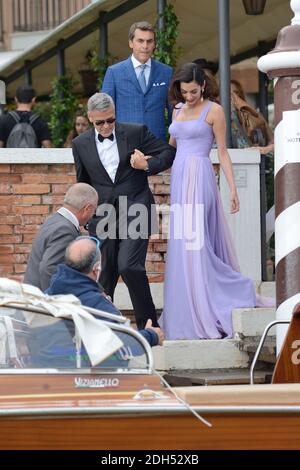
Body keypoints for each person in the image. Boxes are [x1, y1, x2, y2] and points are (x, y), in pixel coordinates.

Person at [159, 63, 274, 340]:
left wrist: (233, 189)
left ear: (203, 85)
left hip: (200, 177)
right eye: (184, 91)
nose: (189, 96)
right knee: (183, 243)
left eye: (194, 91)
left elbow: (222, 153)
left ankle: (230, 292)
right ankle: (186, 308)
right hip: (180, 176)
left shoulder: (215, 110)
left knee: (198, 243)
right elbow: (171, 147)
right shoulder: (176, 110)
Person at [72, 92, 175, 330]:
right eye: (100, 122)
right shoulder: (80, 144)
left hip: (137, 207)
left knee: (129, 266)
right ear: (90, 119)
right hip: (103, 214)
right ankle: (101, 329)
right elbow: (83, 181)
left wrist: (146, 165)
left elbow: (168, 153)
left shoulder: (135, 131)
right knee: (105, 273)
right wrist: (85, 216)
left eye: (111, 120)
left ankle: (149, 327)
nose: (107, 126)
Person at [46, 236, 164, 347]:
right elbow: (122, 344)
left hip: (47, 364)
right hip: (81, 366)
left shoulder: (46, 297)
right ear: (96, 269)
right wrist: (151, 335)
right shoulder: (98, 305)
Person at [102, 21, 173, 141]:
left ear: (154, 44)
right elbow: (104, 111)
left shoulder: (166, 72)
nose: (145, 46)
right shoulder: (114, 72)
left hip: (157, 144)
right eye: (140, 41)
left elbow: (174, 112)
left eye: (149, 41)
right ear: (131, 43)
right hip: (124, 143)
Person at [24, 183, 98, 291]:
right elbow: (49, 269)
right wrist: (58, 303)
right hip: (42, 302)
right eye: (94, 210)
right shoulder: (65, 230)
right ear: (87, 208)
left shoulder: (55, 220)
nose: (93, 215)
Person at [230, 79, 274, 155]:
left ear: (240, 94)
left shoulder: (253, 114)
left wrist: (266, 149)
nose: (233, 96)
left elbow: (271, 140)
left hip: (252, 159)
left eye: (236, 92)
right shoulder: (218, 115)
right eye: (229, 93)